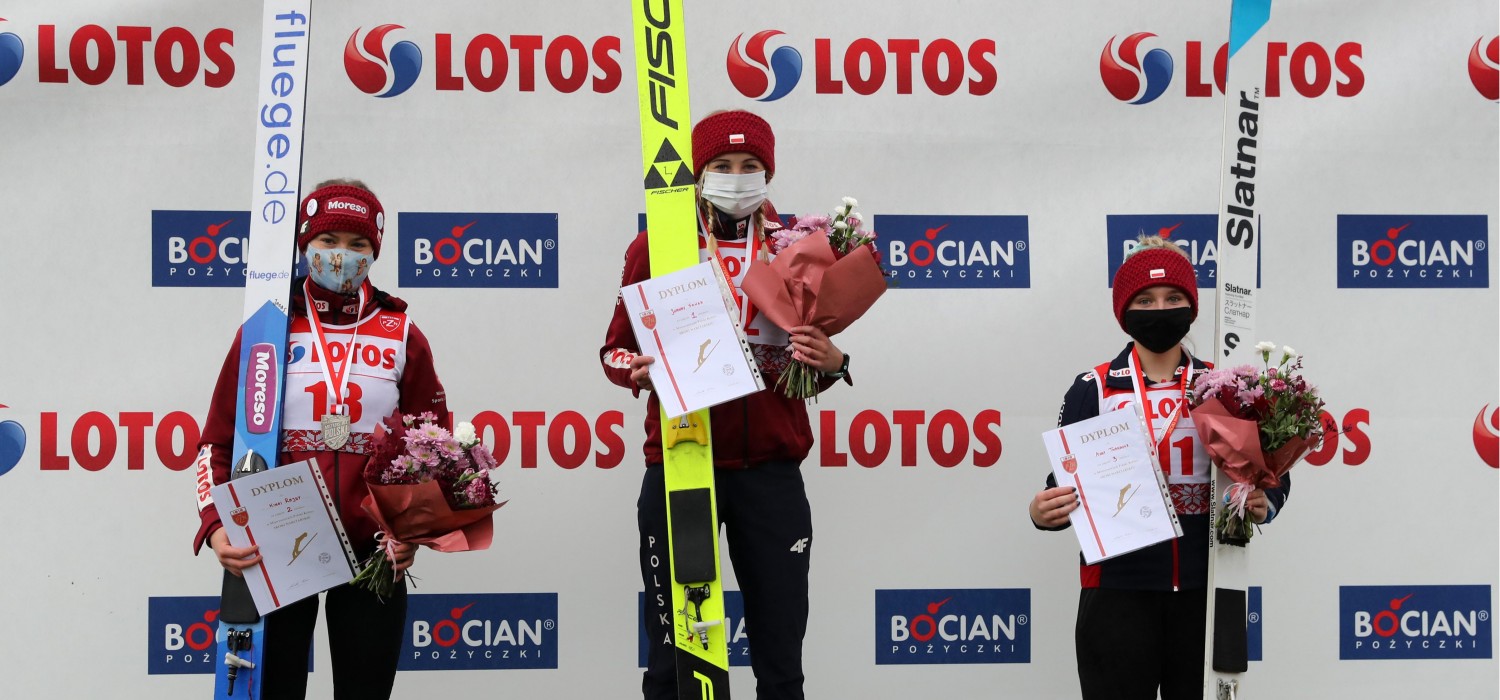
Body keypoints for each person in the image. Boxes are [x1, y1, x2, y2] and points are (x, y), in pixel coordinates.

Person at [601, 110, 851, 700]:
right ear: (699, 174)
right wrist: (633, 372)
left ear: (768, 172)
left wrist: (834, 362)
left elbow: (810, 370)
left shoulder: (798, 247)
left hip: (770, 474)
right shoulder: (658, 244)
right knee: (673, 657)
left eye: (750, 166)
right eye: (721, 166)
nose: (737, 178)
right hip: (681, 464)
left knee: (781, 659)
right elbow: (613, 349)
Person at [191, 179, 449, 699]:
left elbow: (436, 446)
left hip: (374, 551)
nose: (341, 256)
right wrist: (217, 525)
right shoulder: (267, 329)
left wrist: (414, 531)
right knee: (275, 691)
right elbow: (215, 443)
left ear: (374, 252)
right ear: (305, 243)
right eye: (329, 240)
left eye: (358, 245)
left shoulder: (402, 332)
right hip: (280, 544)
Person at [1027, 236, 1290, 700]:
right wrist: (1041, 510)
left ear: (1192, 306)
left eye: (1173, 298)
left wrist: (1262, 502)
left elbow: (1272, 474)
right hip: (1115, 593)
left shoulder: (1222, 386)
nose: (1159, 308)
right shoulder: (1093, 388)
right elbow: (1063, 484)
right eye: (1144, 300)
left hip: (1204, 589)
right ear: (1123, 310)